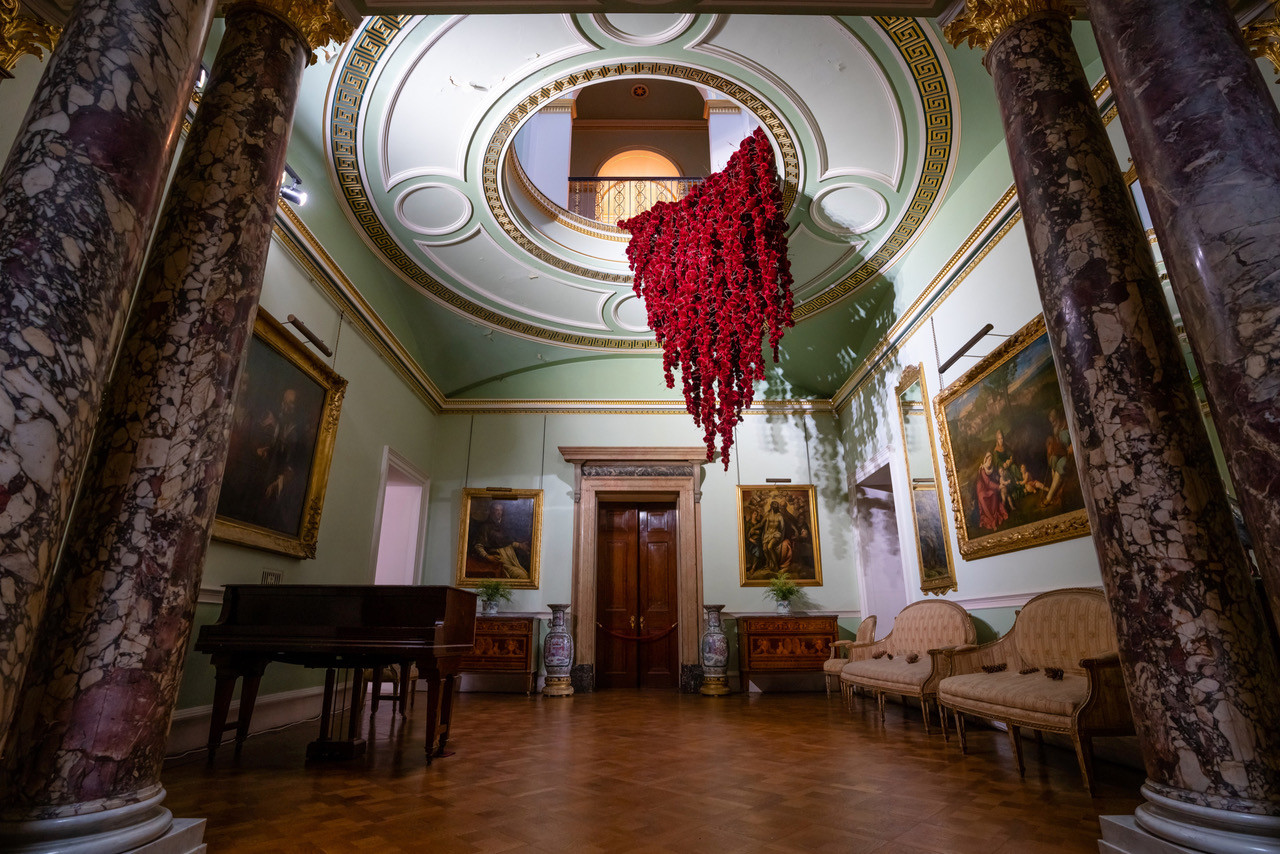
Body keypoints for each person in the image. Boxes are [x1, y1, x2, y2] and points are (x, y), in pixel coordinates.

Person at [469, 501, 531, 579]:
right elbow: (478, 546)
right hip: (500, 558)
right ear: (491, 512)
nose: (498, 512)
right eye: (496, 510)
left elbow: (506, 541)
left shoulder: (502, 526)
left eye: (500, 510)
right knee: (521, 575)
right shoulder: (485, 527)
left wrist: (519, 545)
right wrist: (487, 556)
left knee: (525, 571)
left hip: (511, 557)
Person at [1043, 408, 1073, 506]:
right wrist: (1051, 447)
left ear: (1058, 418)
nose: (1052, 424)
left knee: (1060, 464)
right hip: (1061, 454)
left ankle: (1049, 497)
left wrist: (1072, 445)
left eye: (1054, 421)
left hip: (1070, 456)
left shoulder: (1066, 424)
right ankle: (1055, 489)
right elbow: (1057, 444)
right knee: (1053, 460)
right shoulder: (1056, 428)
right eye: (1051, 422)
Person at [975, 451, 1008, 531]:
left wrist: (997, 479)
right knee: (982, 498)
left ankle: (994, 516)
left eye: (991, 459)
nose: (990, 461)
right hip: (982, 489)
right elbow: (987, 482)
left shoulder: (992, 468)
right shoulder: (983, 469)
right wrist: (998, 486)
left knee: (994, 494)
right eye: (989, 459)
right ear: (986, 460)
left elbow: (993, 478)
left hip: (988, 488)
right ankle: (991, 520)